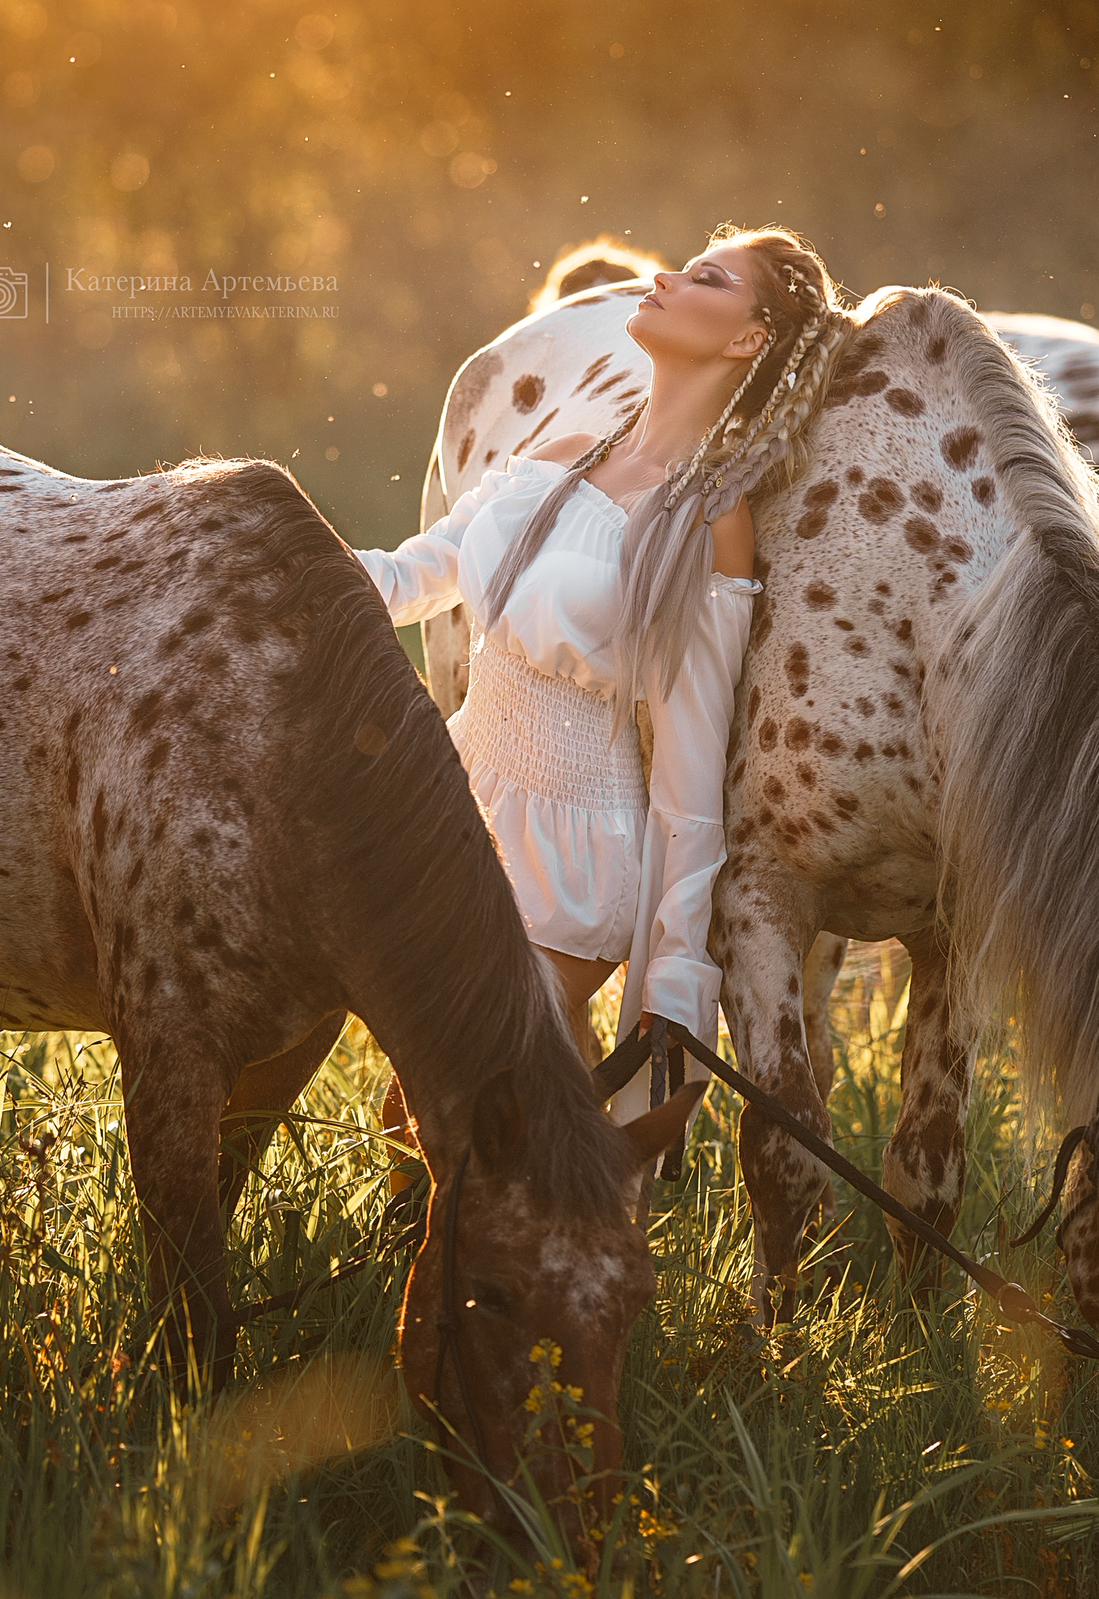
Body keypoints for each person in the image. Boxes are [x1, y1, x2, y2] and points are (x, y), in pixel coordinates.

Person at [351, 224, 853, 1126]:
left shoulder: (711, 522)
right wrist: (273, 551)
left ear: (747, 340)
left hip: (573, 857)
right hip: (458, 801)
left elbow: (691, 769)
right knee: (409, 1112)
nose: (663, 277)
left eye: (706, 278)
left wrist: (676, 970)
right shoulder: (568, 449)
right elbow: (414, 574)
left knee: (452, 1099)